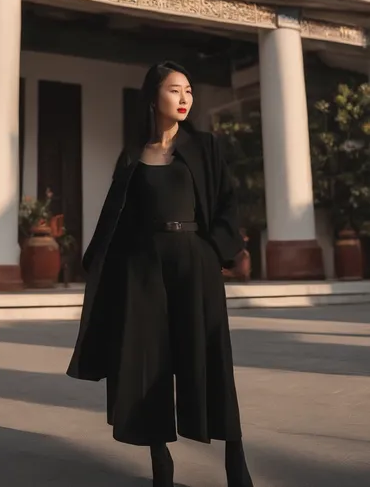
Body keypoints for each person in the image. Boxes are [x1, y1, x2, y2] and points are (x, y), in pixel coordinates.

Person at [67, 61, 254, 487]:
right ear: (154, 98)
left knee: (211, 361)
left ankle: (235, 462)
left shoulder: (205, 147)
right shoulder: (133, 155)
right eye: (175, 90)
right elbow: (118, 216)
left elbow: (227, 204)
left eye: (189, 90)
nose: (185, 98)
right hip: (145, 272)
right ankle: (160, 462)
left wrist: (215, 251)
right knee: (147, 363)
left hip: (195, 266)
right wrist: (103, 264)